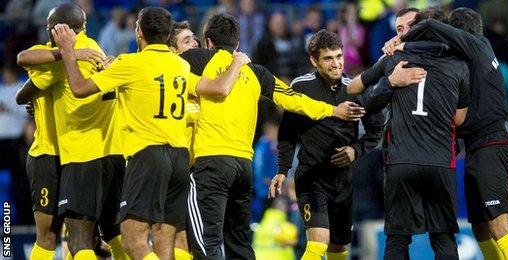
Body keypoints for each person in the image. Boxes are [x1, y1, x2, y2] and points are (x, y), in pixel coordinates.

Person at [180, 13, 366, 260]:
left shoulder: (195, 59)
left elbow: (161, 68)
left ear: (208, 41)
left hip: (210, 162)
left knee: (207, 240)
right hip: (243, 166)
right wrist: (332, 109)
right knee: (240, 240)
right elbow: (294, 100)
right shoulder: (256, 72)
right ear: (237, 44)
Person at [51, 7, 190, 259]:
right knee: (166, 244)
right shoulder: (181, 65)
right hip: (180, 158)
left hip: (148, 155)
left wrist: (67, 51)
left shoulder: (130, 63)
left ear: (138, 31)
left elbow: (80, 88)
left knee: (133, 239)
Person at [396, 8, 508, 259]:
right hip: (476, 146)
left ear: (458, 33)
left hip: (491, 143)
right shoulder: (476, 55)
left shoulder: (478, 45)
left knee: (500, 226)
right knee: (480, 227)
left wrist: (401, 40)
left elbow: (434, 26)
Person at [348, 8, 469, 260]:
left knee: (397, 238)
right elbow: (459, 118)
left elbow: (363, 98)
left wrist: (390, 82)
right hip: (440, 161)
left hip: (401, 161)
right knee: (443, 237)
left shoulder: (394, 61)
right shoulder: (459, 64)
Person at [15, 3, 128, 260]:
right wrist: (69, 53)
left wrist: (67, 53)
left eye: (51, 29)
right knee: (101, 232)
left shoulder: (59, 57)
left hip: (70, 153)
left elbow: (22, 85)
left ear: (59, 32)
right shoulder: (94, 50)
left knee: (65, 237)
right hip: (70, 153)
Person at [268, 29, 385, 260]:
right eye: (328, 58)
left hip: (342, 181)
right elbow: (288, 131)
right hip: (311, 178)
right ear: (314, 60)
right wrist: (282, 169)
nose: (336, 63)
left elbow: (376, 128)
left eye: (339, 56)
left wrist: (356, 149)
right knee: (318, 244)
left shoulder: (354, 88)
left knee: (338, 249)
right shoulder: (302, 87)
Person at [167, 20, 199, 260]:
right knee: (176, 236)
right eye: (186, 40)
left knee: (186, 239)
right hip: (177, 170)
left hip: (199, 171)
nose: (195, 43)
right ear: (172, 51)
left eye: (194, 38)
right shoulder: (169, 82)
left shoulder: (207, 76)